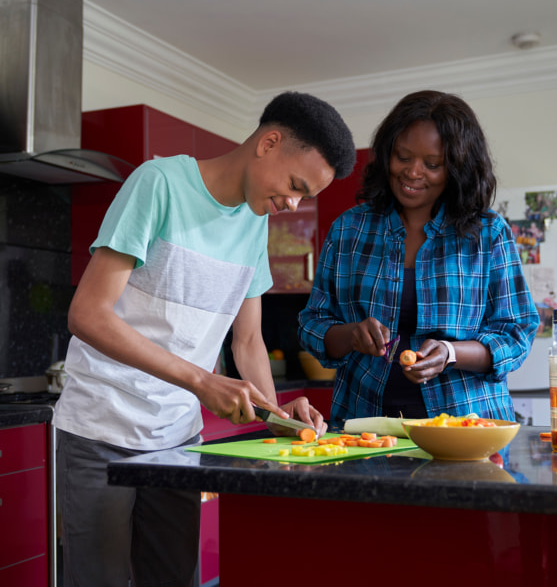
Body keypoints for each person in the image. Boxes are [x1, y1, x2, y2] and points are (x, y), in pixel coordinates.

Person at [53, 91, 356, 587]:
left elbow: (249, 341)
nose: (292, 205)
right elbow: (88, 314)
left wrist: (277, 415)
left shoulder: (254, 225)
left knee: (175, 578)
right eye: (295, 185)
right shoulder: (159, 184)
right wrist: (202, 381)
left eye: (305, 197)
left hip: (176, 440)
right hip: (100, 429)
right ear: (269, 143)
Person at [298, 90, 539, 427]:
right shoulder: (349, 229)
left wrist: (450, 354)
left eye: (432, 164)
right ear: (387, 155)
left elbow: (517, 333)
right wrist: (352, 334)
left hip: (467, 428)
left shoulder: (488, 233)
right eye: (403, 156)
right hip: (363, 426)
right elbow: (312, 323)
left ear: (457, 167)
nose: (413, 172)